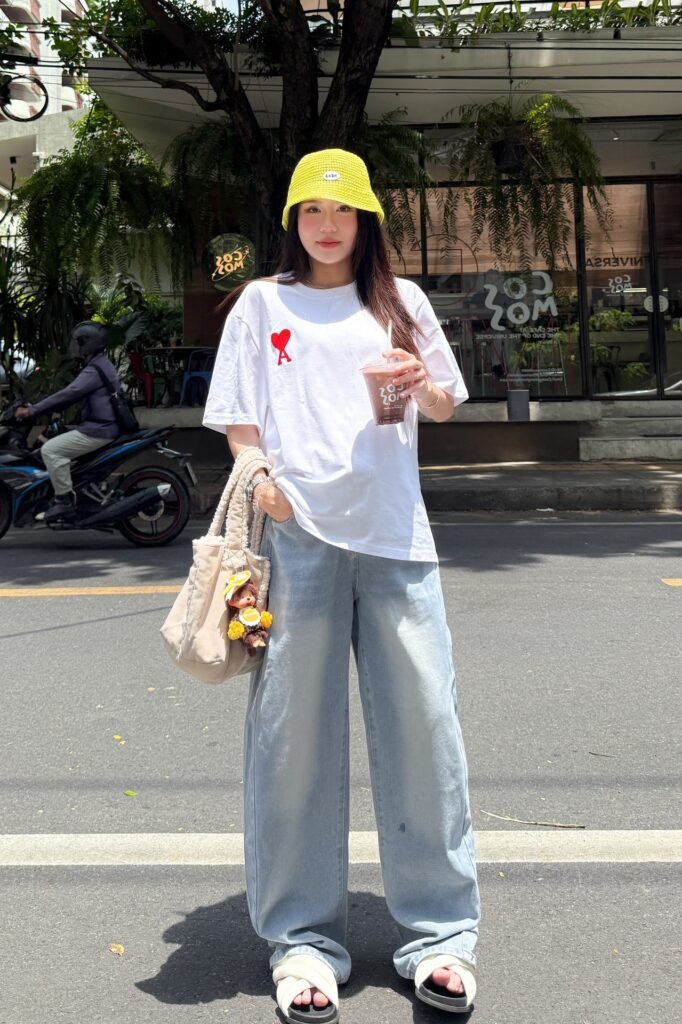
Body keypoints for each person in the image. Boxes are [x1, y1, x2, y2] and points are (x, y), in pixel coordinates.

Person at [203, 149, 480, 1022]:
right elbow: (240, 422)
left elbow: (444, 405)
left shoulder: (402, 303)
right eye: (313, 211)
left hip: (396, 536)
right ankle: (301, 940)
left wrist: (418, 381)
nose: (328, 224)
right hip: (298, 540)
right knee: (293, 740)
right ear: (293, 221)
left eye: (345, 211)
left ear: (366, 223)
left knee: (425, 729)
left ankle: (440, 937)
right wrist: (263, 480)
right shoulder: (260, 302)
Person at [16, 321, 121, 522]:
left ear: (87, 343)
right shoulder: (100, 364)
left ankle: (64, 500)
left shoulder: (94, 370)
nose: (75, 347)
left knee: (50, 450)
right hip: (101, 426)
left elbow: (68, 394)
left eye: (78, 342)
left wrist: (32, 410)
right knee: (54, 439)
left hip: (99, 429)